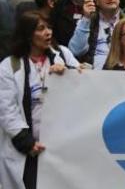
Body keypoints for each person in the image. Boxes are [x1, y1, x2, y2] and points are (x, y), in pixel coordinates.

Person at [0, 11, 78, 189]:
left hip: (60, 146)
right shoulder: (9, 66)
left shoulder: (62, 55)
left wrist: (68, 74)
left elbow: (82, 85)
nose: (48, 32)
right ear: (27, 34)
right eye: (41, 29)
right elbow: (6, 109)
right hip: (28, 150)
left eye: (49, 27)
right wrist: (26, 142)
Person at [69, 0, 125, 70]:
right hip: (95, 78)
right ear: (97, 1)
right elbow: (75, 51)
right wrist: (87, 18)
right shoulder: (88, 21)